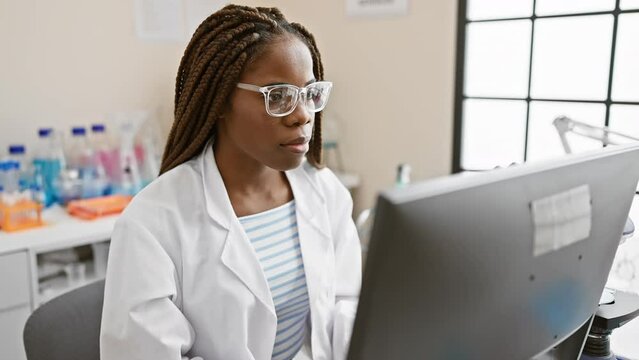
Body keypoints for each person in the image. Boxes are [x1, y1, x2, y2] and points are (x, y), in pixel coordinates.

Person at [100, 4, 362, 360]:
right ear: (221, 99)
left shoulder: (324, 191)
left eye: (310, 93)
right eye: (280, 96)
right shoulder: (152, 222)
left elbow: (345, 305)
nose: (302, 115)